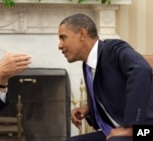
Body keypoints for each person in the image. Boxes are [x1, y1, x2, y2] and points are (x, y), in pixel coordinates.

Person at [58, 13, 153, 141]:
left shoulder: (114, 49)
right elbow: (114, 91)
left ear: (82, 34)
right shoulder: (87, 65)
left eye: (63, 38)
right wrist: (89, 108)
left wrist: (132, 127)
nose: (60, 45)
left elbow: (141, 69)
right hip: (113, 131)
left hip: (144, 131)